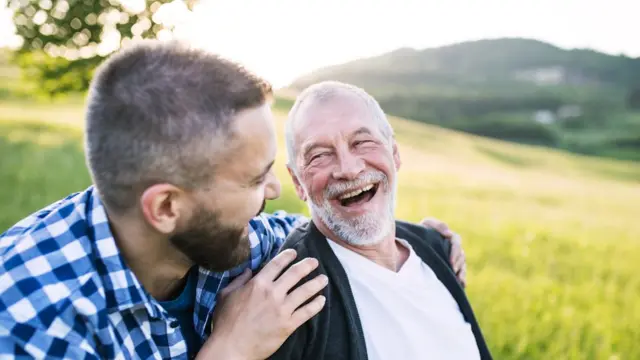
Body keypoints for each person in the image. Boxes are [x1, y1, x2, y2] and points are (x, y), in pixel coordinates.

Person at [0, 41, 468, 360]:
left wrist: (422, 241)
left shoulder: (232, 238)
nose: (274, 193)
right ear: (166, 209)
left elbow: (336, 216)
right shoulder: (30, 321)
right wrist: (230, 351)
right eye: (255, 179)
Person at [269, 81, 493, 360]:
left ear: (395, 153)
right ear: (297, 182)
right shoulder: (293, 300)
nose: (349, 170)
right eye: (320, 156)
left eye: (362, 142)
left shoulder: (437, 249)